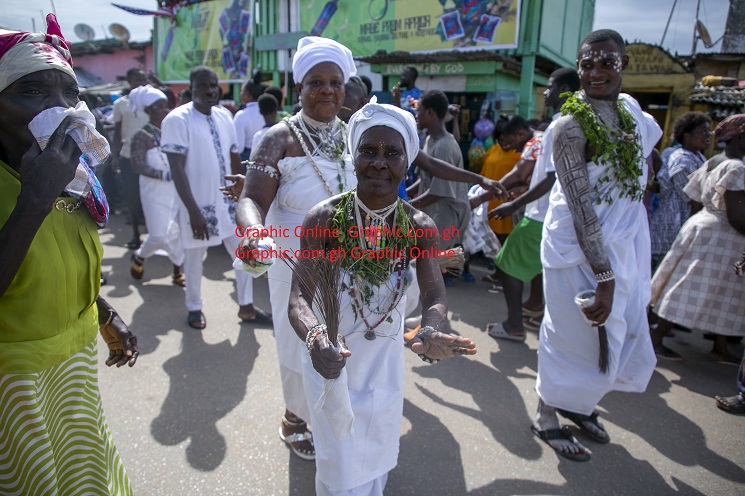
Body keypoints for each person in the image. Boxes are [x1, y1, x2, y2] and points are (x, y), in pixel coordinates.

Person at [287, 100, 478, 496]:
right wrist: (316, 337)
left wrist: (432, 327)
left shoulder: (419, 226)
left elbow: (434, 292)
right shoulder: (324, 218)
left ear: (407, 163)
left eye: (392, 153)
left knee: (376, 452)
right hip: (330, 356)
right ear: (353, 157)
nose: (379, 162)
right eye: (368, 151)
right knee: (339, 466)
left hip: (384, 362)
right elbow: (299, 298)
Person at [0, 15, 139, 494]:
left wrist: (104, 313)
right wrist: (35, 198)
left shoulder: (71, 177)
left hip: (72, 369)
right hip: (15, 387)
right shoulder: (43, 180)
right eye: (33, 91)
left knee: (82, 474)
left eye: (69, 93)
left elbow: (61, 260)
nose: (60, 108)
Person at [531, 29, 662, 462]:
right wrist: (605, 276)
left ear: (624, 64)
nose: (596, 72)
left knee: (608, 340)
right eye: (587, 64)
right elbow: (581, 208)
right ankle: (545, 413)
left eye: (607, 62)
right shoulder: (568, 127)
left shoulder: (631, 113)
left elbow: (646, 160)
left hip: (621, 246)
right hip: (574, 250)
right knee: (567, 336)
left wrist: (628, 235)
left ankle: (578, 405)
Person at [235, 36, 359, 461]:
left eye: (335, 82)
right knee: (298, 344)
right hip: (292, 259)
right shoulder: (279, 137)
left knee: (340, 339)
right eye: (316, 82)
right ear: (299, 87)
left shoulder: (354, 134)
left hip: (347, 258)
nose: (327, 90)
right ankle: (294, 419)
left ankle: (331, 416)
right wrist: (255, 233)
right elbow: (251, 199)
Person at [161, 66, 269, 329]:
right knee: (194, 259)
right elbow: (176, 169)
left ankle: (246, 306)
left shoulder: (224, 116)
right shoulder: (177, 120)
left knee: (245, 252)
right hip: (197, 205)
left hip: (228, 203)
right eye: (203, 86)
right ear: (191, 88)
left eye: (213, 85)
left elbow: (234, 156)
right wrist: (193, 211)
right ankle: (194, 307)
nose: (210, 91)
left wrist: (243, 196)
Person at [485, 68, 581, 340]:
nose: (546, 92)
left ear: (564, 90)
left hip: (542, 213)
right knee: (543, 266)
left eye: (550, 87)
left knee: (505, 263)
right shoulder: (570, 123)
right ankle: (538, 308)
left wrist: (514, 205)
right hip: (553, 212)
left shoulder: (559, 126)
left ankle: (514, 325)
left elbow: (551, 178)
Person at [649, 114, 745, 363]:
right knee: (691, 288)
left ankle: (720, 346)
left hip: (704, 226)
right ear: (740, 137)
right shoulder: (736, 168)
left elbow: (694, 195)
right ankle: (657, 337)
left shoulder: (713, 161)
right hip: (722, 236)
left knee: (720, 291)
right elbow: (736, 216)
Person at [128, 84, 185, 286]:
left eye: (165, 105)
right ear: (148, 110)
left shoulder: (171, 131)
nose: (164, 110)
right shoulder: (141, 135)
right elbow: (137, 165)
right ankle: (140, 255)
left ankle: (177, 271)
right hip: (153, 191)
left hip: (175, 190)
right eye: (159, 107)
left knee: (177, 232)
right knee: (159, 234)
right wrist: (163, 174)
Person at [410, 90, 470, 253]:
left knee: (433, 261)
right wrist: (402, 195)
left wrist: (407, 206)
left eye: (419, 110)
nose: (416, 115)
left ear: (430, 112)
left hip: (446, 217)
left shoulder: (445, 146)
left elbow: (439, 191)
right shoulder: (430, 140)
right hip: (433, 213)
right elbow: (424, 179)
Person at [650, 111, 712, 268]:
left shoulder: (697, 156)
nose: (708, 135)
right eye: (702, 131)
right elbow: (691, 196)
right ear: (687, 136)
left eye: (708, 131)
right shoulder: (682, 160)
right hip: (673, 225)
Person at [112, 66, 149, 249]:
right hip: (128, 156)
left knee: (150, 197)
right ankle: (135, 235)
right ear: (129, 82)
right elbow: (117, 132)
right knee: (132, 197)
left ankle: (152, 235)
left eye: (143, 80)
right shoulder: (121, 104)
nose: (141, 84)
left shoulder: (152, 101)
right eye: (137, 80)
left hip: (150, 157)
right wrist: (114, 156)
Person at [233, 80, 265, 160]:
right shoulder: (267, 112)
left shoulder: (241, 115)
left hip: (248, 158)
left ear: (247, 95)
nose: (240, 94)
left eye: (242, 91)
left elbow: (238, 148)